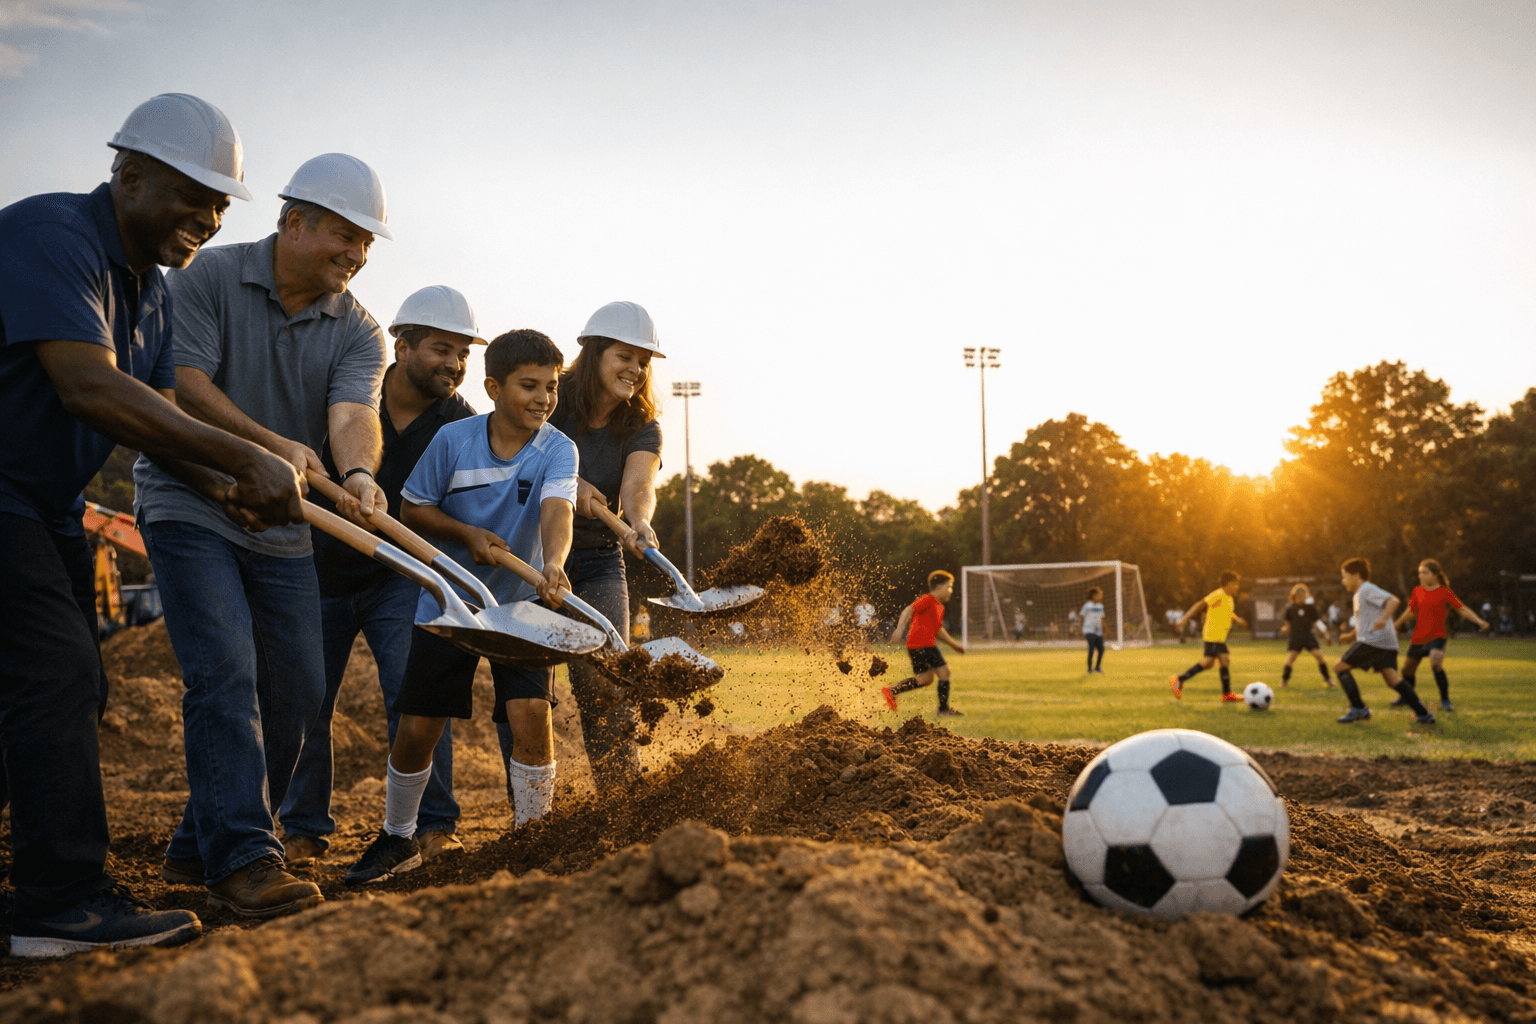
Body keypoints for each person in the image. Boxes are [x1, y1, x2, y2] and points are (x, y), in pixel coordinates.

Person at [0, 94, 307, 956]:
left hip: (43, 506)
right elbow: (90, 387)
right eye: (191, 195)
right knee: (55, 676)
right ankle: (62, 905)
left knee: (60, 690)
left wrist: (225, 490)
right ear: (128, 175)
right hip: (3, 497)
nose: (207, 218)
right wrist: (246, 456)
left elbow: (157, 420)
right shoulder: (51, 236)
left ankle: (38, 886)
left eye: (220, 204)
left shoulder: (154, 297)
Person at [135, 152, 392, 916]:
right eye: (345, 235)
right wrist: (267, 447)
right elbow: (184, 382)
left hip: (283, 521)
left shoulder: (360, 330)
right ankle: (246, 854)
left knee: (301, 691)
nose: (356, 253)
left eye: (367, 243)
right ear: (292, 222)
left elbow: (353, 416)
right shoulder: (209, 277)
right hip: (192, 498)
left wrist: (356, 477)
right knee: (224, 669)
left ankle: (197, 844)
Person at [345, 329, 578, 885]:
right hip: (450, 603)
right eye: (529, 385)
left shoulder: (558, 447)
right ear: (494, 387)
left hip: (521, 606)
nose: (543, 398)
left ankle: (532, 835)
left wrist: (553, 563)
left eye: (551, 386)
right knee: (420, 724)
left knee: (531, 714)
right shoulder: (453, 439)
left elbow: (557, 510)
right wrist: (466, 533)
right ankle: (398, 837)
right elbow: (412, 509)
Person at [279, 286, 481, 868]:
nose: (455, 365)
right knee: (308, 701)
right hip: (316, 568)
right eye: (443, 349)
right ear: (403, 344)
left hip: (400, 576)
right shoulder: (346, 394)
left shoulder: (460, 423)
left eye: (463, 353)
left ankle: (432, 824)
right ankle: (303, 828)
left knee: (414, 697)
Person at [493, 301, 662, 795]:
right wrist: (571, 482)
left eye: (642, 361)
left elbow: (638, 484)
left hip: (598, 563)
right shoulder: (552, 395)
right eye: (623, 356)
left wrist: (639, 522)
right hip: (528, 559)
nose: (635, 369)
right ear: (593, 352)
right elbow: (510, 443)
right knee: (525, 693)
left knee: (607, 682)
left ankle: (622, 800)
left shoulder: (640, 422)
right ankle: (530, 816)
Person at [1333, 558, 1435, 725]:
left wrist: (1383, 618)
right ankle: (1423, 713)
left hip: (1374, 640)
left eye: (1345, 576)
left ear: (1356, 575)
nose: (1343, 580)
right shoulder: (1359, 595)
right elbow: (1364, 623)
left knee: (1339, 667)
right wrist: (1351, 636)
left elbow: (1393, 600)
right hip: (1386, 642)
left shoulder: (1366, 589)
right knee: (1392, 679)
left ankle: (1358, 708)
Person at [1391, 558, 1489, 713]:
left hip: (1437, 636)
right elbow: (1410, 612)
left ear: (1435, 575)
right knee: (1407, 671)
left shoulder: (1445, 592)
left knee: (1436, 663)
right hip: (1418, 637)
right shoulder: (1417, 591)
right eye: (1419, 573)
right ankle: (1406, 697)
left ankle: (1445, 700)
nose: (1421, 576)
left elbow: (1462, 609)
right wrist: (1395, 625)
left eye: (1425, 573)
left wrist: (1479, 621)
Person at [881, 570, 966, 717]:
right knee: (944, 671)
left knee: (926, 679)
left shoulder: (939, 607)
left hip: (924, 645)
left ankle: (892, 690)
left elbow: (938, 630)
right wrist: (899, 629)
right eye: (949, 586)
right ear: (939, 587)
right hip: (921, 644)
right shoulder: (928, 599)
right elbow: (908, 610)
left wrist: (954, 645)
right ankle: (943, 709)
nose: (950, 591)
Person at [1169, 571, 1248, 702]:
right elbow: (1200, 604)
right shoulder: (1218, 594)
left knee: (1209, 663)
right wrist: (1185, 619)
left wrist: (1237, 620)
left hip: (1218, 636)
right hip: (1213, 635)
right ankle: (1226, 693)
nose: (1237, 587)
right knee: (1223, 659)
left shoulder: (1228, 598)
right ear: (1228, 584)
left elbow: (1228, 613)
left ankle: (1179, 679)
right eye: (1235, 584)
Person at [1279, 584, 1333, 688]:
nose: (1302, 597)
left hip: (1308, 635)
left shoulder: (1310, 608)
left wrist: (1325, 633)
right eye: (1299, 595)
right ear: (1294, 596)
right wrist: (1285, 629)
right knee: (1290, 659)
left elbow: (1317, 622)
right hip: (1296, 637)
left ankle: (1328, 679)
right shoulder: (1290, 609)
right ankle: (1284, 681)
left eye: (1304, 595)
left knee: (1319, 656)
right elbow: (1287, 625)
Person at [1081, 587, 1106, 673]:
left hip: (1098, 631)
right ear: (1094, 595)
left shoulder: (1100, 606)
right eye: (1099, 594)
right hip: (1089, 631)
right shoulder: (1087, 605)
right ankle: (1089, 669)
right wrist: (1081, 628)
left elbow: (1102, 619)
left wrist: (1107, 630)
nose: (1101, 595)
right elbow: (1082, 617)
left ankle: (1098, 667)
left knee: (1101, 649)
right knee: (1091, 648)